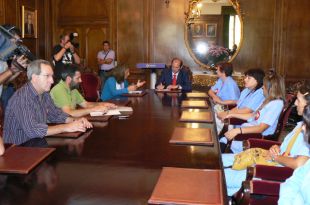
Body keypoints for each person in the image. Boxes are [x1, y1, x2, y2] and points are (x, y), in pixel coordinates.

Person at [223, 83, 310, 197]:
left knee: (220, 176)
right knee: (220, 161)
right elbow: (288, 148)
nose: (295, 103)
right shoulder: (301, 125)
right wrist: (277, 148)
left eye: (298, 100)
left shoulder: (306, 132)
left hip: (272, 173)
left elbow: (299, 163)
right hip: (271, 162)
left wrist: (276, 157)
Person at [3, 60, 92, 145]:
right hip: (17, 149)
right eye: (47, 76)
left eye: (52, 76)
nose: (52, 81)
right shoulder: (22, 98)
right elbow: (33, 130)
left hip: (35, 143)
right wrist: (66, 127)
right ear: (35, 77)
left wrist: (74, 120)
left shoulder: (44, 93)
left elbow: (55, 114)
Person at [220, 73, 285, 153]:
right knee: (222, 140)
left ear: (270, 88)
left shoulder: (277, 104)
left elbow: (261, 128)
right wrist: (232, 114)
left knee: (223, 145)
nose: (262, 87)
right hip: (247, 130)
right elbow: (252, 115)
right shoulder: (268, 100)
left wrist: (238, 130)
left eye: (264, 86)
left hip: (256, 137)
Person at [50, 64, 116, 117]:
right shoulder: (59, 89)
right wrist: (94, 109)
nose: (80, 80)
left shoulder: (72, 89)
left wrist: (104, 104)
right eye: (78, 78)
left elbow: (86, 104)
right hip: (59, 125)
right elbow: (69, 113)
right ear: (68, 79)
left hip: (70, 123)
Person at [216, 68, 265, 134]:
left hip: (246, 122)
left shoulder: (260, 93)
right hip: (236, 117)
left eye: (249, 78)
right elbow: (238, 107)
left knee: (218, 122)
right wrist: (228, 113)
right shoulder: (246, 90)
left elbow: (247, 110)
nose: (245, 79)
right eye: (245, 77)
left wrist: (228, 114)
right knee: (216, 116)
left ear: (258, 80)